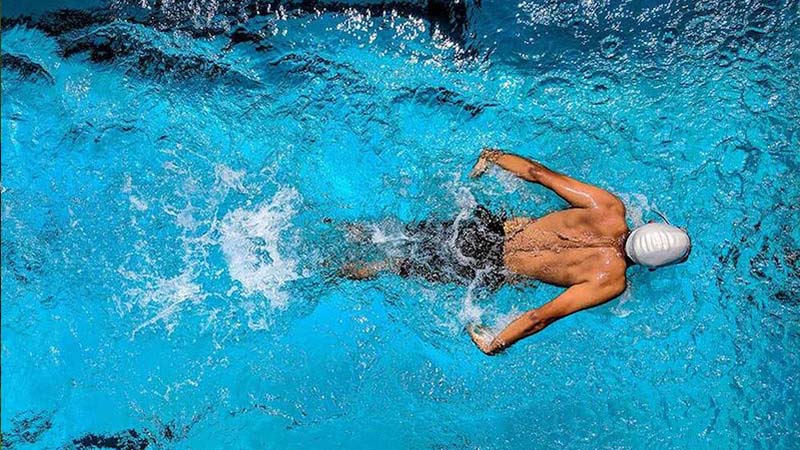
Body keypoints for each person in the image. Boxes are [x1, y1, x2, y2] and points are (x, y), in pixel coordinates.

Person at [340, 148, 691, 355]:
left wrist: (494, 157)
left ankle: (342, 229)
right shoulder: (610, 281)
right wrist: (496, 343)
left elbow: (540, 174)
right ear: (652, 267)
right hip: (488, 267)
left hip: (485, 228)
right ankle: (336, 270)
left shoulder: (608, 208)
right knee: (394, 265)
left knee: (395, 234)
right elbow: (542, 316)